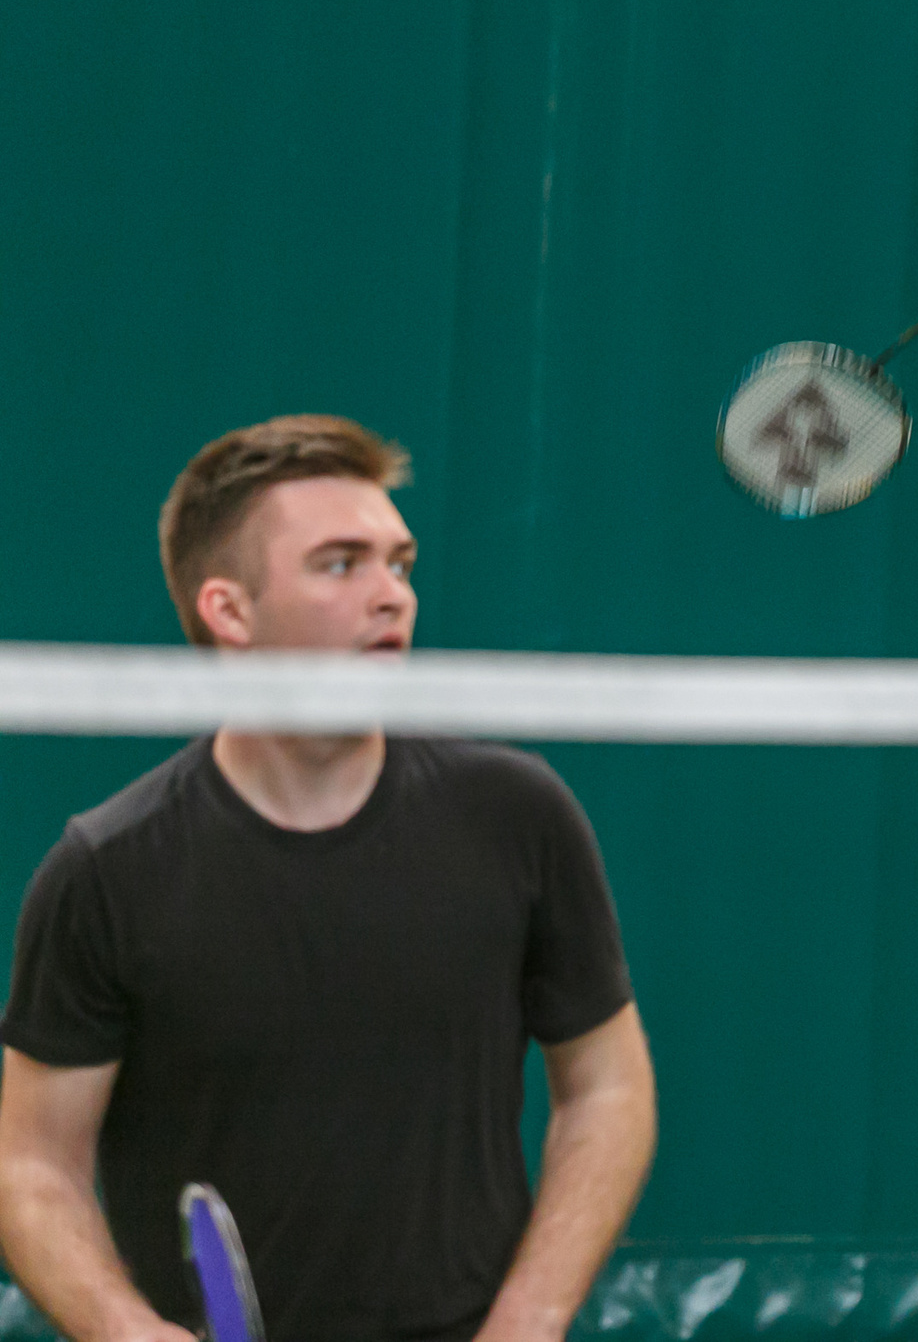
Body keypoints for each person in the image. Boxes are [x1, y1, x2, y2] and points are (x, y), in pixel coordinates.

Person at [0, 416, 657, 1342]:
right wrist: (124, 1329)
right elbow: (31, 1160)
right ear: (229, 610)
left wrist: (532, 1317)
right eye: (342, 563)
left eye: (401, 561)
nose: (393, 595)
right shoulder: (108, 870)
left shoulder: (518, 816)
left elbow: (607, 1086)